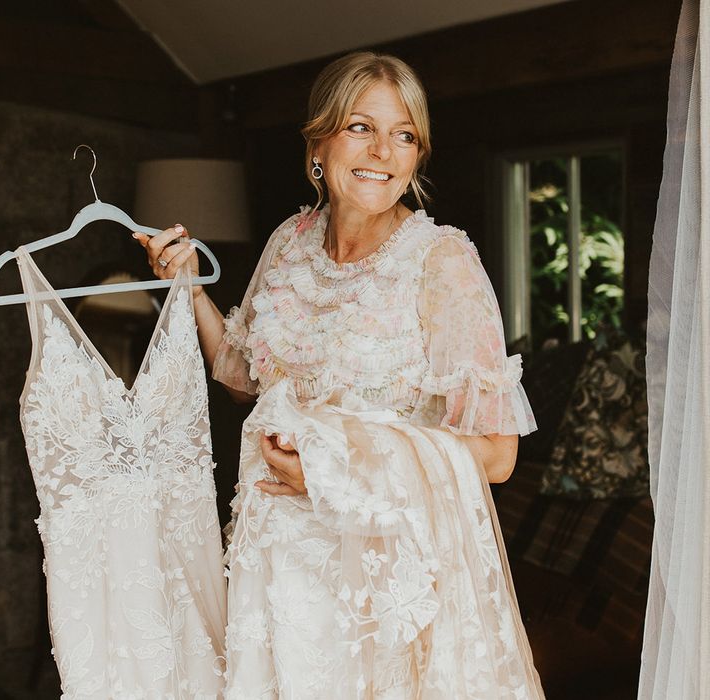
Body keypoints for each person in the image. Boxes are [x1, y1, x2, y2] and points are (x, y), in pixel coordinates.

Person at [134, 52, 544, 699]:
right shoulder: (289, 241)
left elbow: (497, 456)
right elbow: (246, 377)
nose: (383, 149)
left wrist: (334, 464)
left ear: (417, 155)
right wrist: (185, 289)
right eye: (361, 126)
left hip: (381, 575)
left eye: (404, 135)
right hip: (276, 560)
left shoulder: (442, 263)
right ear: (319, 142)